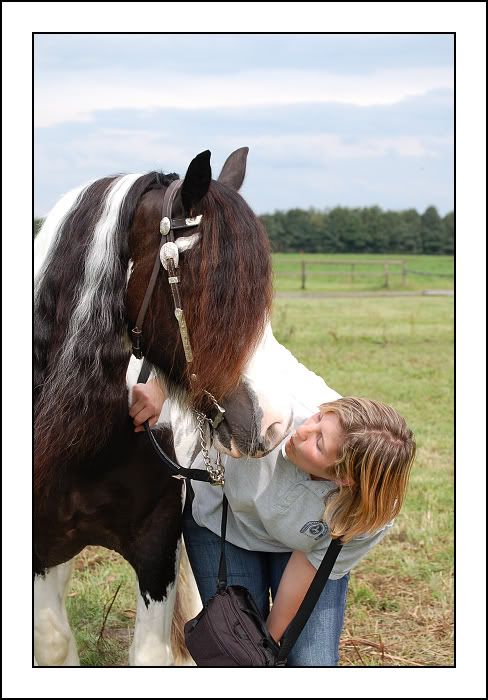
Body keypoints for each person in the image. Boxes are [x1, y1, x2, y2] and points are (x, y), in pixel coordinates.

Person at [129, 378, 416, 667]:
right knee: (234, 657)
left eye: (319, 442)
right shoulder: (269, 415)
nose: (304, 431)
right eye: (318, 418)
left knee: (312, 663)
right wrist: (160, 386)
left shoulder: (366, 512)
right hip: (226, 524)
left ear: (344, 479)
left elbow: (307, 565)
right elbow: (210, 356)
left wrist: (266, 645)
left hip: (300, 549)